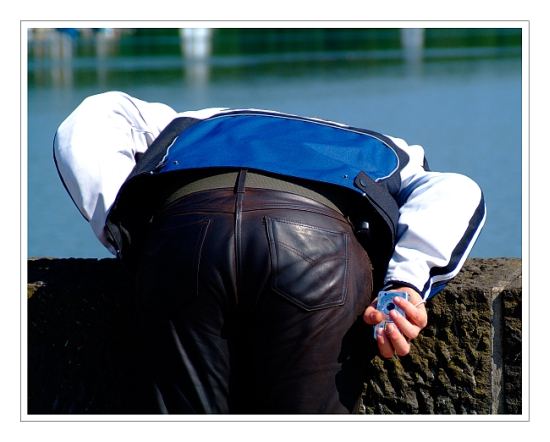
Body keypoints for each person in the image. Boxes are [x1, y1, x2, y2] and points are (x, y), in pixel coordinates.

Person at [53, 91, 486, 414]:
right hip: (317, 243)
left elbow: (86, 122)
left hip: (185, 231)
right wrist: (405, 283)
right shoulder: (389, 148)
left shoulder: (186, 121)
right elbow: (458, 190)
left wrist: (122, 229)